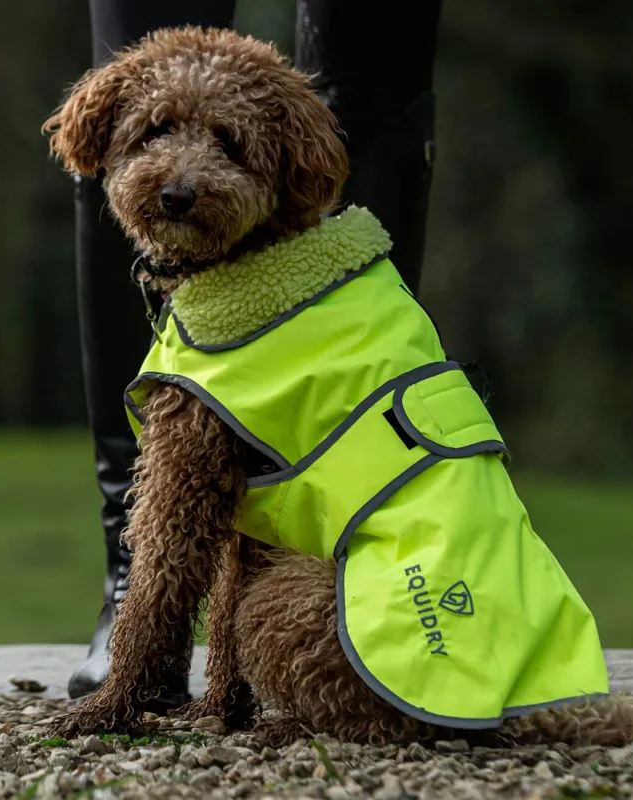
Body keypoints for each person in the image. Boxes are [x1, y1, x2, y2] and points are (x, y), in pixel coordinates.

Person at [69, 0, 443, 708]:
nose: (180, 177)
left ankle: (152, 669)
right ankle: (138, 597)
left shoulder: (259, 321)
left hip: (399, 611)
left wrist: (122, 705)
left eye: (228, 147)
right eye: (156, 131)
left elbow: (183, 519)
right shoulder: (319, 290)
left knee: (373, 68)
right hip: (429, 603)